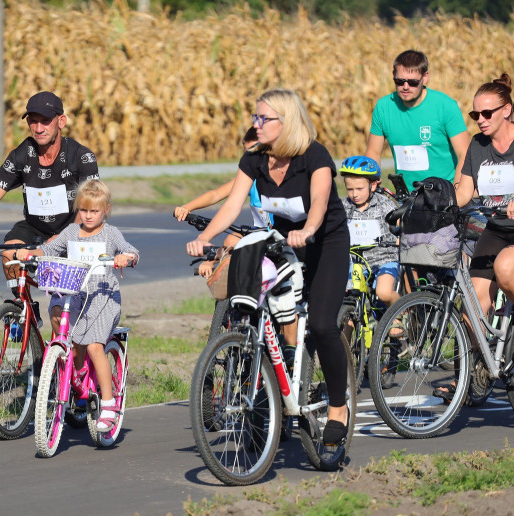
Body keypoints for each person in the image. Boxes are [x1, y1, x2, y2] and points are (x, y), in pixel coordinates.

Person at [185, 89, 351, 446]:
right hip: (281, 242)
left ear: (286, 122)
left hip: (324, 243)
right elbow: (230, 207)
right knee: (261, 317)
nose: (255, 124)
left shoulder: (314, 156)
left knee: (322, 324)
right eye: (255, 117)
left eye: (264, 119)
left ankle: (339, 407)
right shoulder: (255, 159)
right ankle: (269, 403)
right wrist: (207, 237)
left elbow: (320, 202)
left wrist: (308, 230)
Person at [13, 179, 138, 432]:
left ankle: (109, 402)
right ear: (77, 209)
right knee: (58, 315)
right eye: (84, 210)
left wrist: (128, 257)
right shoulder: (71, 232)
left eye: (94, 211)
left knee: (93, 345)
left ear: (106, 210)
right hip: (74, 291)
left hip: (102, 295)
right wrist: (30, 254)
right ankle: (74, 367)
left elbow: (130, 249)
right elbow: (48, 250)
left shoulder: (110, 234)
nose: (88, 215)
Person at [0, 91, 99, 326]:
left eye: (45, 121)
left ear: (61, 121)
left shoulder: (82, 156)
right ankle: (24, 310)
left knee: (60, 316)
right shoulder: (21, 154)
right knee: (9, 253)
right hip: (35, 226)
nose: (38, 128)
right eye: (33, 121)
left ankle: (62, 353)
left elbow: (90, 207)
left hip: (73, 228)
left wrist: (62, 239)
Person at [455, 75, 514, 360]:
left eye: (486, 113)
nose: (480, 119)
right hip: (497, 226)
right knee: (472, 305)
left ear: (506, 110)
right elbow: (465, 191)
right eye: (475, 114)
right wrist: (438, 202)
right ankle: (477, 367)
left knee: (505, 268)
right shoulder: (478, 145)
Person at [174, 127, 272, 278]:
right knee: (231, 240)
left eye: (258, 151)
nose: (254, 159)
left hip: (281, 237)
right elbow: (216, 194)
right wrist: (187, 207)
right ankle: (214, 264)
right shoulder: (249, 180)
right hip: (257, 235)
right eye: (248, 153)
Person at [366, 50, 469, 188]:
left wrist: (456, 195)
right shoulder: (383, 107)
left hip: (444, 195)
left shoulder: (446, 106)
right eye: (399, 81)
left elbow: (464, 154)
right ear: (393, 76)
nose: (405, 87)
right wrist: (371, 180)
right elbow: (373, 152)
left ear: (425, 77)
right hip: (406, 198)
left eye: (413, 82)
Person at [339, 156, 400, 308]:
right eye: (350, 189)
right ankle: (344, 329)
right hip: (356, 261)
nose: (354, 194)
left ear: (373, 185)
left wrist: (401, 237)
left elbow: (401, 224)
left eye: (360, 189)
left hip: (384, 259)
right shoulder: (343, 207)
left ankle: (400, 315)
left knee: (383, 292)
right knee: (347, 299)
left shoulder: (384, 204)